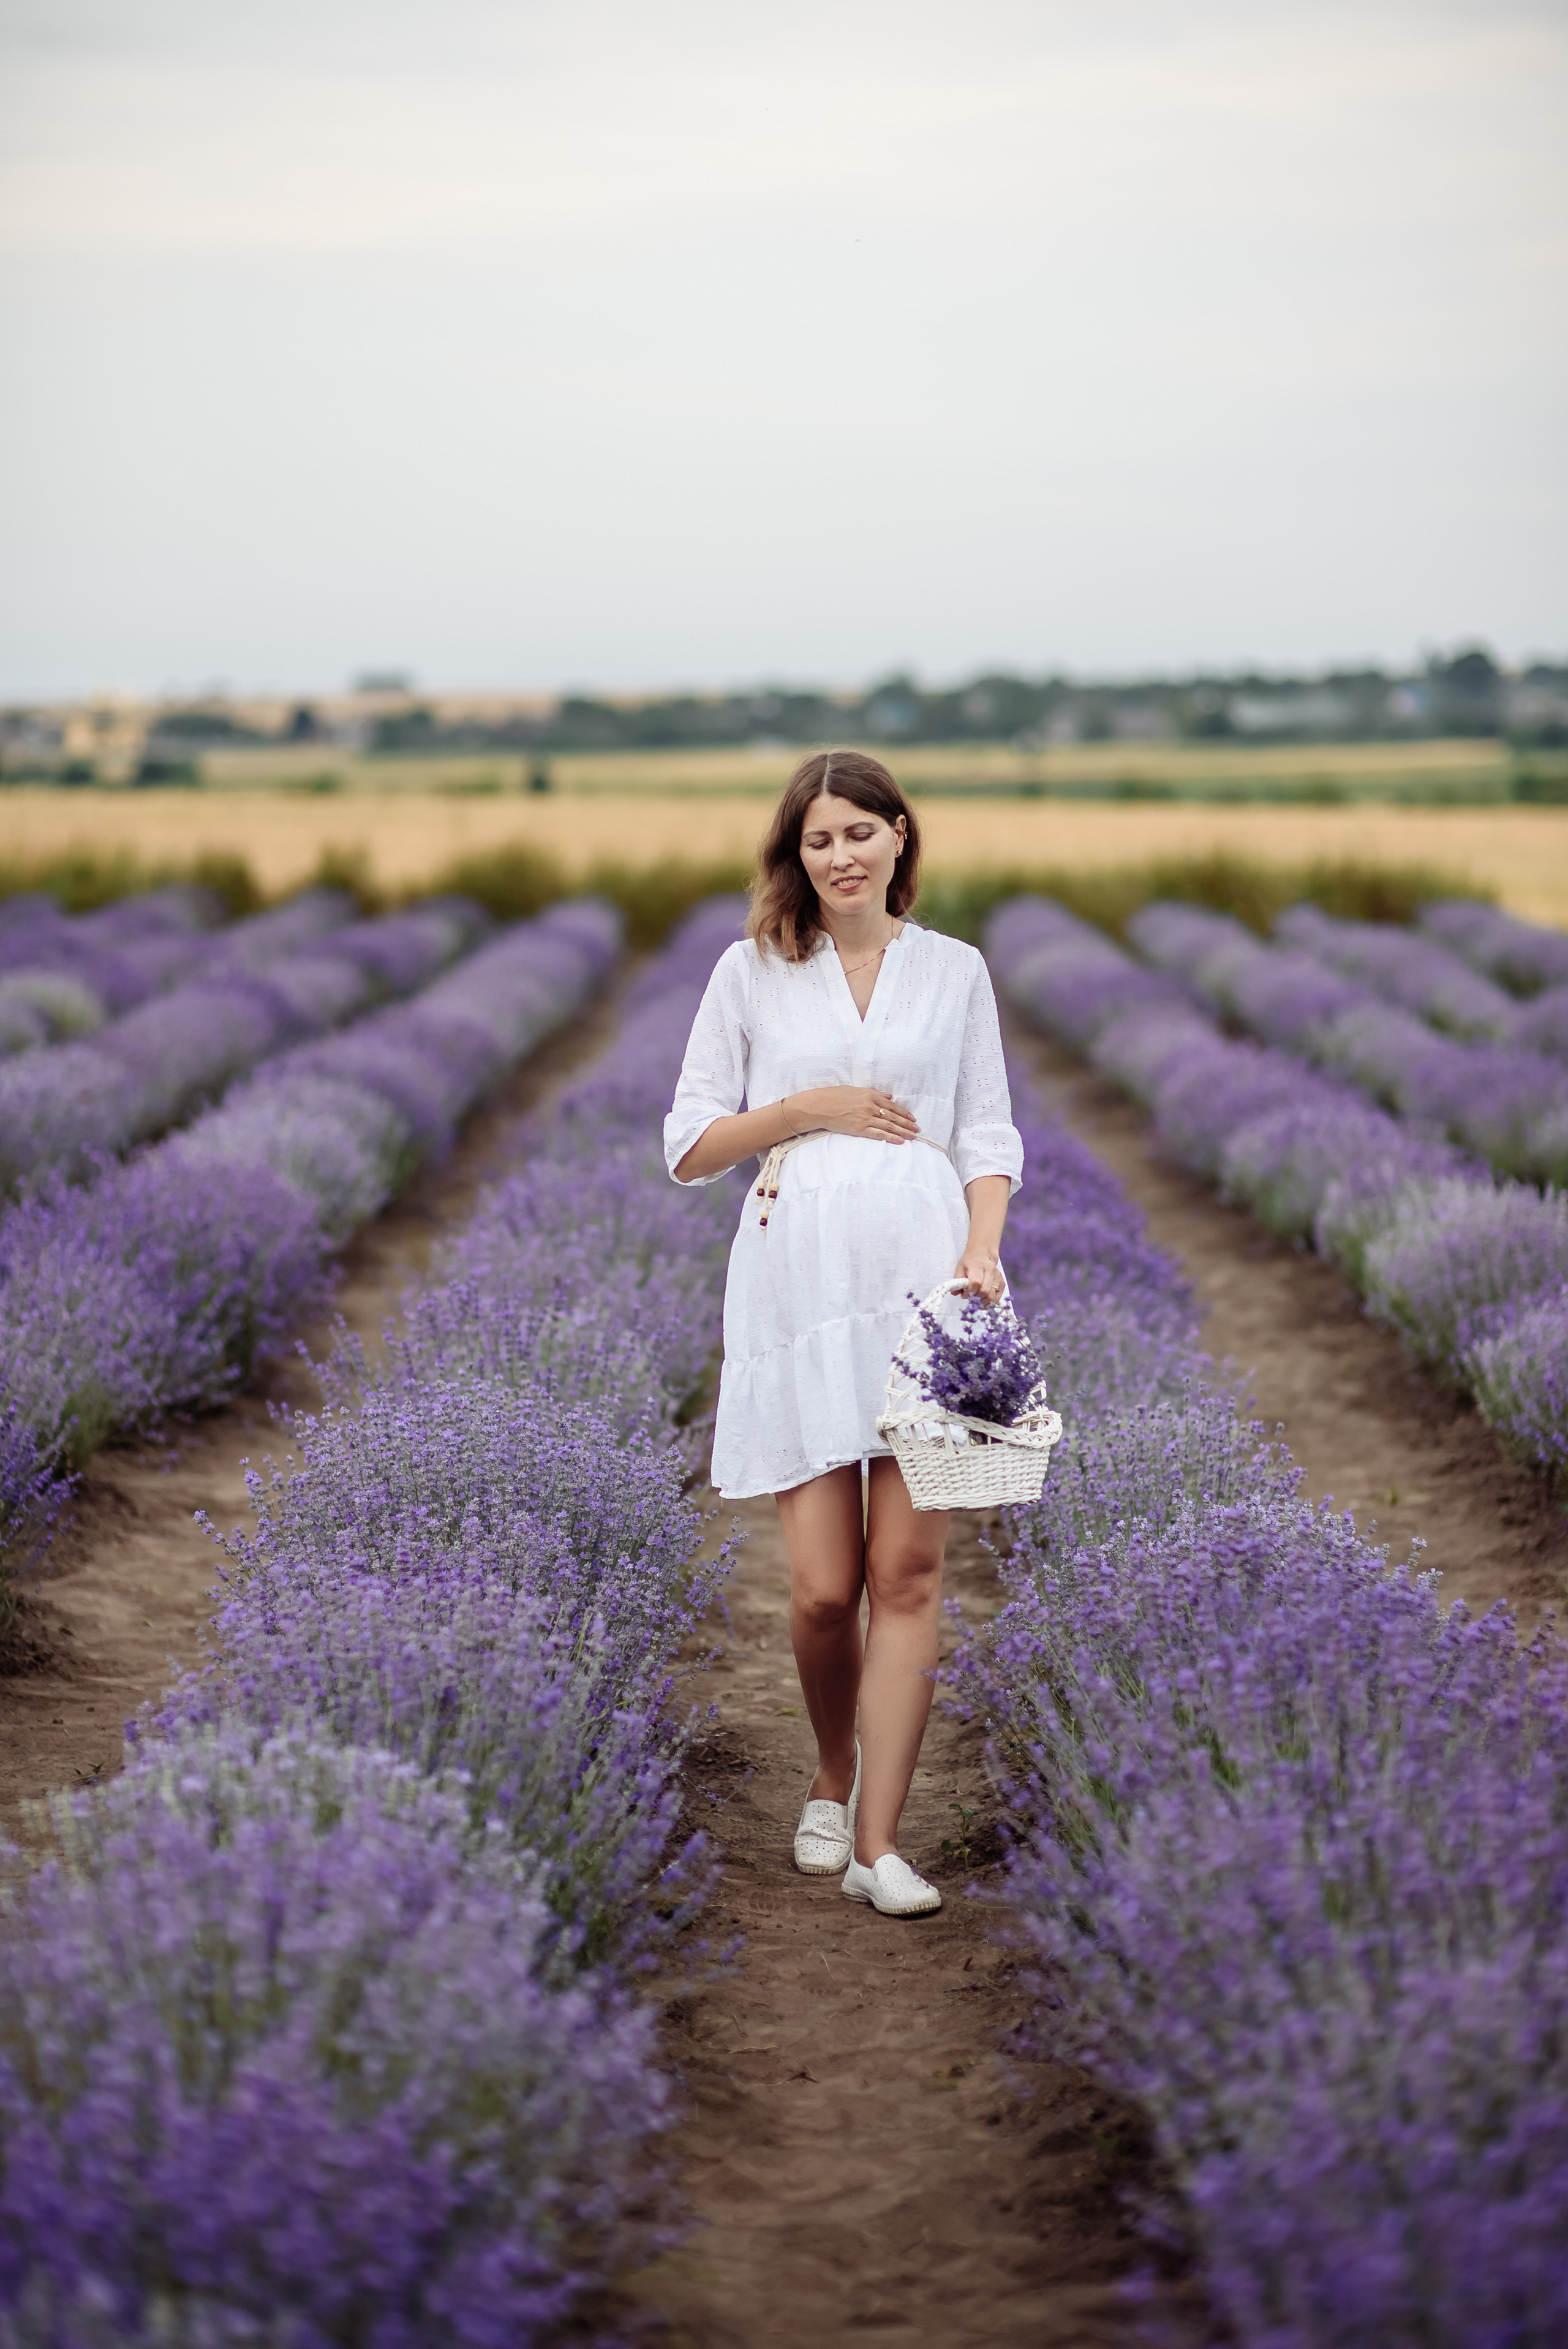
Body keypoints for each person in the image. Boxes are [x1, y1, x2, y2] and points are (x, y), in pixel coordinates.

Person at [664, 749, 1022, 1918]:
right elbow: (688, 1143)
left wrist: (983, 1246)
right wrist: (805, 1109)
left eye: (861, 832)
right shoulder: (750, 974)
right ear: (797, 854)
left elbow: (987, 1130)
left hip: (926, 1282)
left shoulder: (956, 971)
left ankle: (880, 1842)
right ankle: (830, 1768)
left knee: (907, 1570)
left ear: (902, 837)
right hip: (799, 1288)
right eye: (819, 839)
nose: (842, 855)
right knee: (824, 1590)